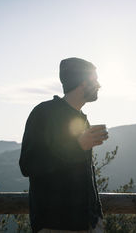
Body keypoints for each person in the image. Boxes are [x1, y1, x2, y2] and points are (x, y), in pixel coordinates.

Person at [19, 57, 108, 233]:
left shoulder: (82, 119)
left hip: (88, 223)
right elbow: (28, 164)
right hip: (56, 224)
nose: (99, 85)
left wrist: (96, 216)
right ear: (83, 83)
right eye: (95, 80)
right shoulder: (44, 113)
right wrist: (77, 145)